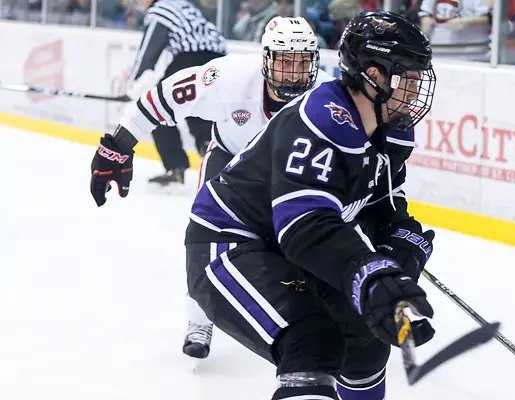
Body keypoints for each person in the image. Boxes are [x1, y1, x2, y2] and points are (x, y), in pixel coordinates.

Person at [182, 11, 437, 399]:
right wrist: (371, 275)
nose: (415, 91)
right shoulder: (319, 118)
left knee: (366, 344)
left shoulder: (391, 132)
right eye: (409, 78)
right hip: (229, 243)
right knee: (312, 339)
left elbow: (380, 204)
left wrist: (400, 244)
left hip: (287, 248)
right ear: (373, 75)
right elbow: (304, 227)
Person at [89, 16, 334, 359]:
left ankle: (316, 316)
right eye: (284, 62)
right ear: (266, 59)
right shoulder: (228, 77)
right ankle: (200, 320)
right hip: (230, 163)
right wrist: (117, 145)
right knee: (205, 245)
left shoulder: (327, 96)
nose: (293, 74)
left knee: (301, 245)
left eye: (301, 62)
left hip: (290, 174)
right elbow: (162, 99)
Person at [128, 0, 227, 186]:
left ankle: (175, 167)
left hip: (193, 58)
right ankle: (212, 156)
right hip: (219, 61)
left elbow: (148, 53)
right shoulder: (184, 5)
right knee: (196, 108)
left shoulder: (161, 9)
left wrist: (135, 86)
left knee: (158, 106)